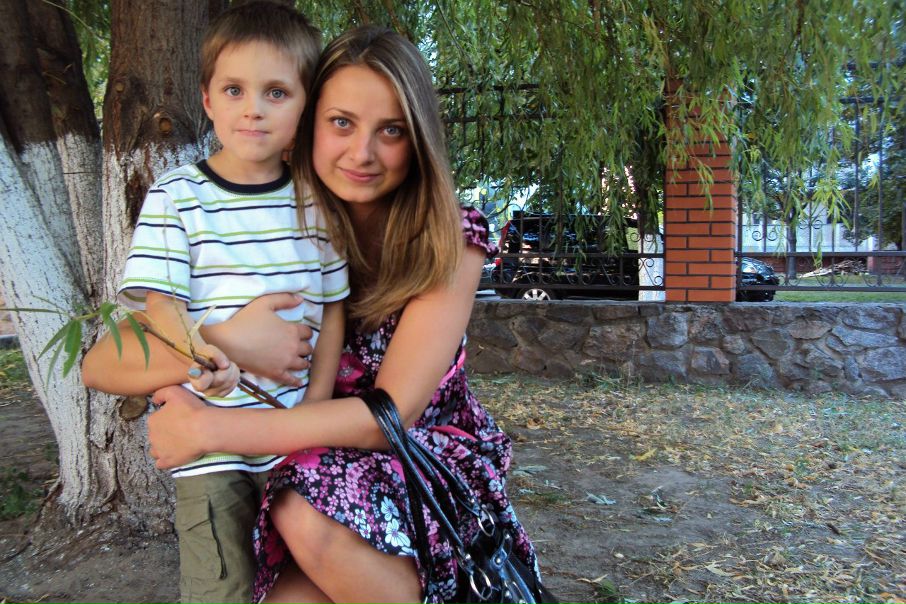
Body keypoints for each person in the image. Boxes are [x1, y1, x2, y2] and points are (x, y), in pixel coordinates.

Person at [89, 25, 545, 604]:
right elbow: (101, 363)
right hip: (302, 468)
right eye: (342, 123)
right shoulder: (271, 217)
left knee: (299, 505)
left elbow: (390, 414)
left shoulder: (447, 238)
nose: (362, 153)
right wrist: (226, 339)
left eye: (391, 130)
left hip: (405, 463)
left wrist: (209, 429)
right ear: (309, 122)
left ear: (418, 139)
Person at [82, 3, 348, 603]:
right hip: (212, 446)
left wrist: (314, 409)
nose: (253, 108)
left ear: (305, 105)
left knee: (305, 583)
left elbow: (332, 310)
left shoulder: (317, 204)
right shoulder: (178, 197)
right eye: (234, 90)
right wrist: (206, 359)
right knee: (222, 586)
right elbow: (161, 307)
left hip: (293, 440)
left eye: (276, 92)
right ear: (207, 99)